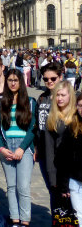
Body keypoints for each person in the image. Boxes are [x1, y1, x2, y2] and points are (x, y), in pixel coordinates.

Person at [0, 69, 36, 226]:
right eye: (10, 80)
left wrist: (22, 148)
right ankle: (15, 219)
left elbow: (33, 128)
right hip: (7, 146)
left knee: (23, 187)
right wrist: (2, 148)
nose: (12, 83)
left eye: (15, 80)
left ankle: (25, 221)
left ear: (21, 82)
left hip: (24, 147)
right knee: (11, 186)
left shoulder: (30, 102)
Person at [44, 80, 77, 214]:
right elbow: (49, 149)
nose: (60, 98)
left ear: (70, 96)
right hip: (59, 170)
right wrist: (52, 177)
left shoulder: (76, 116)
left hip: (75, 171)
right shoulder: (52, 118)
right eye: (57, 95)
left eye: (63, 95)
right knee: (60, 211)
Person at [35, 62, 63, 193]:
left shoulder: (65, 98)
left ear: (60, 77)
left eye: (53, 79)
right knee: (51, 189)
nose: (49, 81)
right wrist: (36, 147)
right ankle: (54, 214)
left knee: (62, 189)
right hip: (44, 151)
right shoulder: (42, 98)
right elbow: (36, 126)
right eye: (46, 79)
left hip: (61, 152)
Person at [55, 92, 82, 221]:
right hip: (74, 181)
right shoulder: (72, 127)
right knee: (78, 216)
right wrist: (63, 184)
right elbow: (62, 157)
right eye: (80, 106)